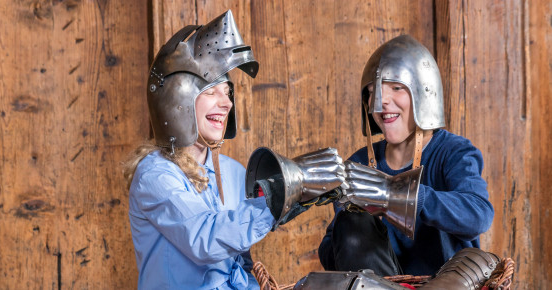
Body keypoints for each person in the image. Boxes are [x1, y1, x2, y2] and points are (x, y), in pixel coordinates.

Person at [124, 11, 342, 289]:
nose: (226, 104)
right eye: (212, 91)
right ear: (178, 99)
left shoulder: (232, 172)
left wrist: (298, 195)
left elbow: (240, 265)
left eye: (227, 93)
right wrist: (281, 193)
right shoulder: (155, 174)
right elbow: (205, 238)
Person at [318, 35, 495, 277]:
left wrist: (401, 195)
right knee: (351, 222)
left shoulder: (454, 152)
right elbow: (330, 251)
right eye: (373, 92)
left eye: (397, 88)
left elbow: (478, 216)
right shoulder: (359, 162)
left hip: (443, 284)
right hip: (378, 285)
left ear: (424, 94)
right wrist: (348, 226)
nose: (382, 102)